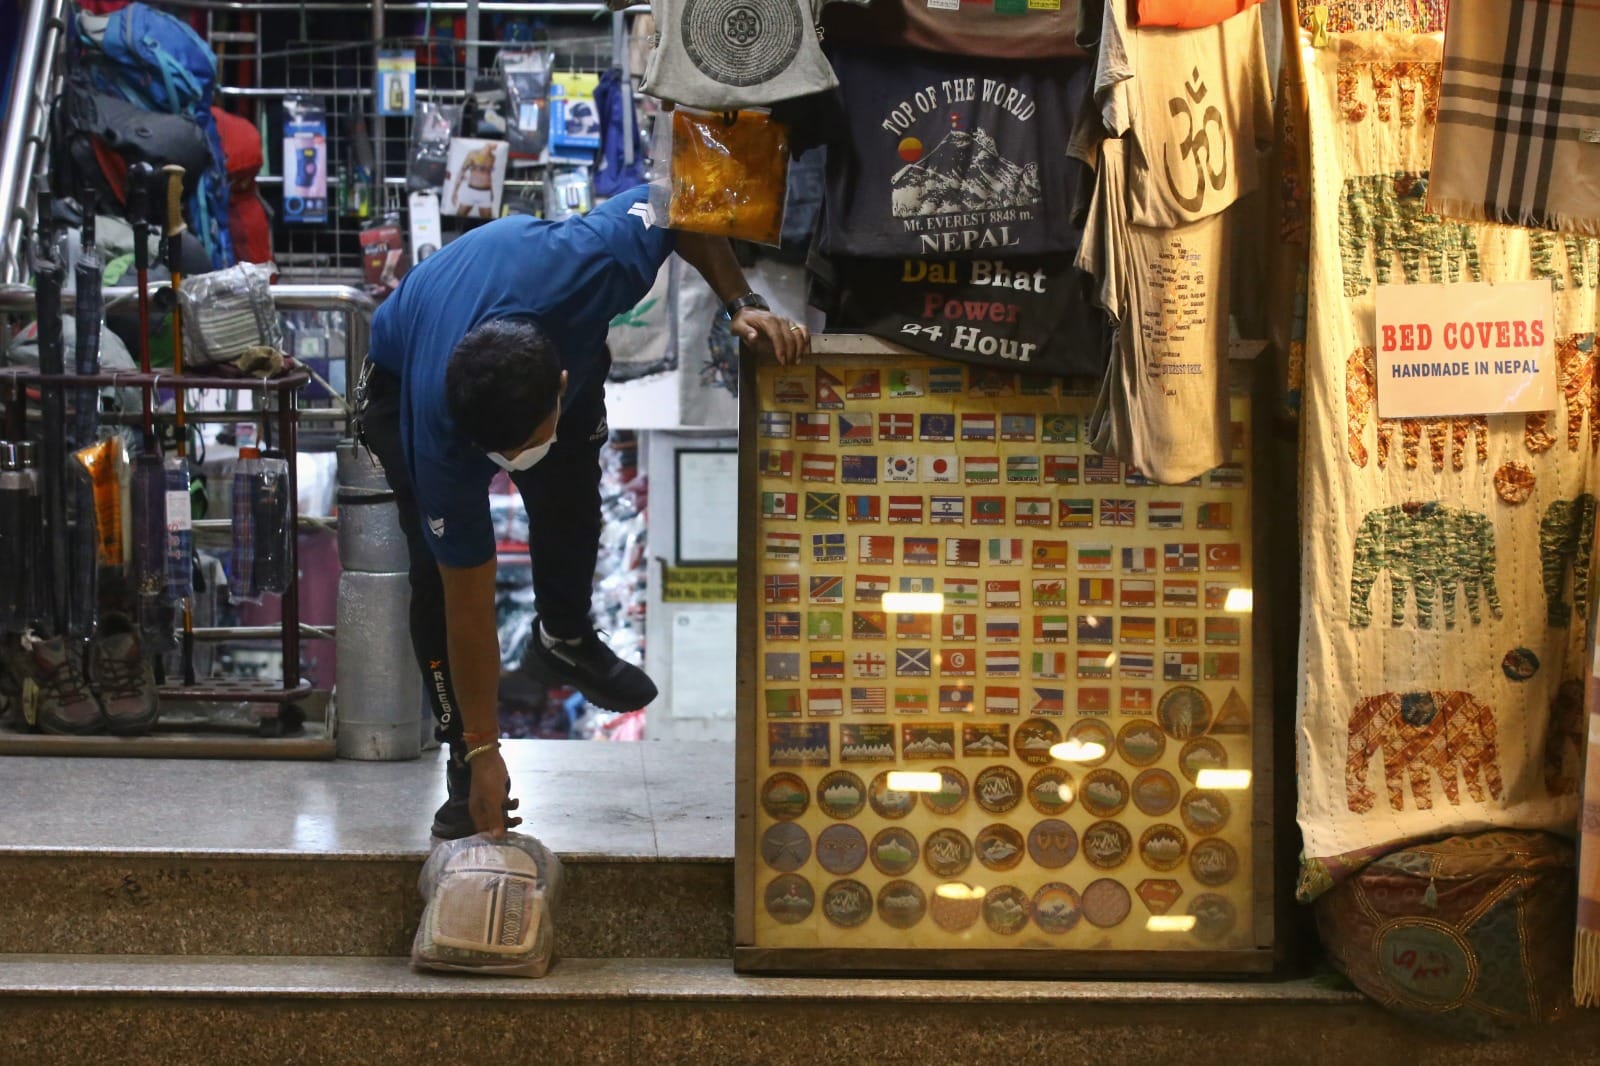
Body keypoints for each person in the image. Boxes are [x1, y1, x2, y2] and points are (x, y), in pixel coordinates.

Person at [358, 184, 808, 840]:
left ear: (560, 389)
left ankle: (563, 638)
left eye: (522, 446)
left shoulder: (597, 262)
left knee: (569, 492)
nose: (511, 468)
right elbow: (469, 606)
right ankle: (463, 763)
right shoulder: (440, 433)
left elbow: (681, 194)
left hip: (552, 346)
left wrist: (741, 301)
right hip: (402, 372)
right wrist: (488, 750)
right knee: (436, 575)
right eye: (501, 457)